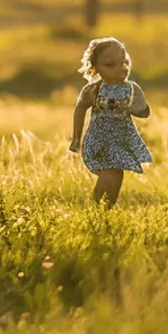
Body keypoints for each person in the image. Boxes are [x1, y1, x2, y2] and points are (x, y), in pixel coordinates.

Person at [68, 37, 152, 207]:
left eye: (123, 63)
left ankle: (107, 207)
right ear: (95, 68)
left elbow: (144, 112)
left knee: (117, 174)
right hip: (100, 139)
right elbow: (79, 109)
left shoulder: (131, 89)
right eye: (110, 65)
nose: (119, 69)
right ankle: (96, 205)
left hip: (121, 140)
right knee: (109, 171)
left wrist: (132, 108)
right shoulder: (93, 90)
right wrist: (76, 138)